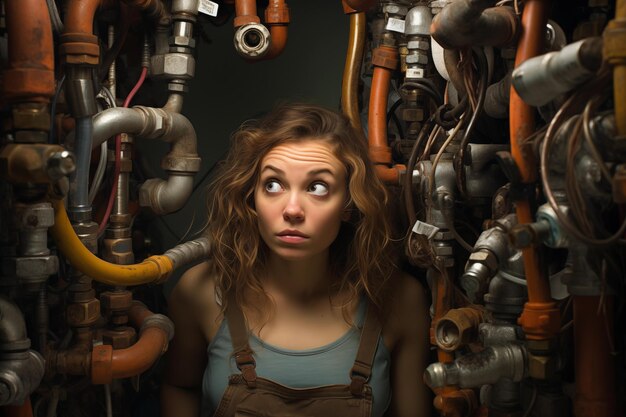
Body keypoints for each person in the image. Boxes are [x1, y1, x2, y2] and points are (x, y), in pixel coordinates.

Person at [160, 103, 431, 417]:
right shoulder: (201, 291)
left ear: (348, 203)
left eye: (317, 187)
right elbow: (180, 386)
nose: (291, 210)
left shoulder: (400, 300)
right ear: (252, 197)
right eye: (273, 185)